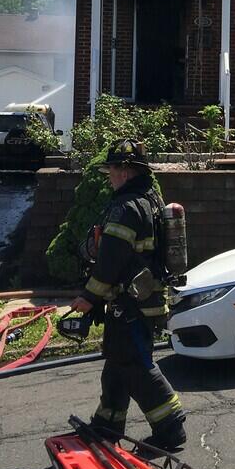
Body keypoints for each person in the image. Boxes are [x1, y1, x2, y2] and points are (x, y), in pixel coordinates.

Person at [69, 139, 186, 451]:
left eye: (111, 169)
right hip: (141, 301)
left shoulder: (126, 208)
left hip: (130, 304)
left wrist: (89, 297)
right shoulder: (149, 200)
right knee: (118, 364)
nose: (109, 176)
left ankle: (171, 427)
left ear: (125, 171)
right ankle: (107, 425)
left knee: (135, 366)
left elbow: (111, 261)